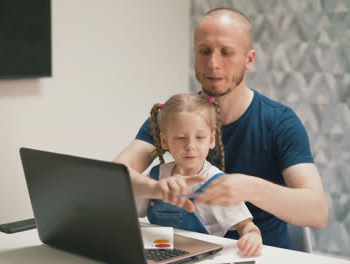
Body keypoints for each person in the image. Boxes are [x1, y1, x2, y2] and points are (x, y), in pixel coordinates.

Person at [114, 7, 328, 249]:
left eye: (226, 52)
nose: (213, 64)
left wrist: (249, 187)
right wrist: (155, 188)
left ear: (249, 59)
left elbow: (317, 211)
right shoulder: (173, 117)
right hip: (185, 254)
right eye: (204, 52)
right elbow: (114, 177)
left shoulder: (280, 122)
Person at [135, 93, 262, 256]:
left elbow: (247, 227)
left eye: (200, 137)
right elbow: (129, 209)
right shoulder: (156, 175)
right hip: (160, 254)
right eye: (181, 138)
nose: (190, 146)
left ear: (211, 140)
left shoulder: (218, 184)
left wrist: (252, 236)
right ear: (164, 141)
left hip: (203, 259)